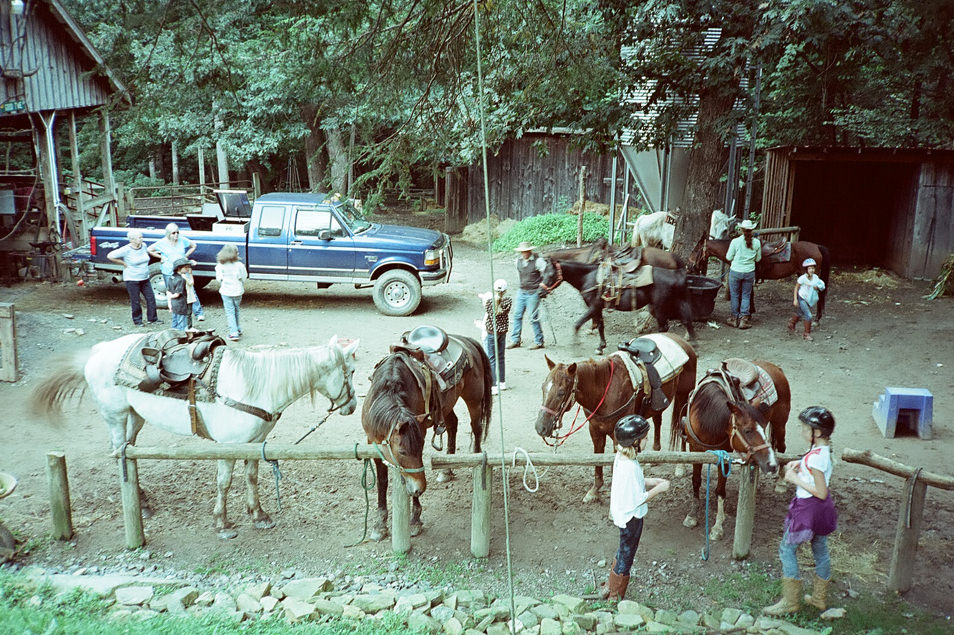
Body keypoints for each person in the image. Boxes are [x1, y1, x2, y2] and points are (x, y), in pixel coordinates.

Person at [764, 406, 838, 615]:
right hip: (822, 510)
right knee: (820, 550)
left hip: (809, 508)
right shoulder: (821, 451)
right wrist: (802, 464)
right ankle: (819, 599)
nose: (802, 431)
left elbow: (821, 492)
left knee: (787, 549)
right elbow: (817, 468)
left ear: (817, 433)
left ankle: (790, 601)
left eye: (805, 428)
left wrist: (795, 479)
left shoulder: (816, 458)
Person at [601, 414, 671, 601]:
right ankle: (615, 596)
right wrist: (659, 489)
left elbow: (632, 483)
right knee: (627, 555)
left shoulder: (622, 457)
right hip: (631, 518)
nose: (647, 441)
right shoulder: (631, 466)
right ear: (635, 442)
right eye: (645, 438)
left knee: (623, 549)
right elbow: (637, 499)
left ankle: (610, 585)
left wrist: (651, 481)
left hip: (622, 513)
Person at [148, 223, 205, 322]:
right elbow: (149, 249)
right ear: (168, 234)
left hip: (183, 269)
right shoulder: (162, 242)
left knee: (190, 290)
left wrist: (185, 256)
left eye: (177, 232)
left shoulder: (182, 240)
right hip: (168, 270)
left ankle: (198, 313)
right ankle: (177, 313)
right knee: (173, 291)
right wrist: (161, 257)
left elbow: (193, 245)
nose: (176, 235)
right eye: (173, 233)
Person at [106, 229, 160, 327]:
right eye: (139, 237)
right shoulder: (126, 249)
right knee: (135, 300)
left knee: (151, 298)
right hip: (132, 279)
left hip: (145, 277)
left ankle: (152, 319)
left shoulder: (143, 246)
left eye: (141, 237)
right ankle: (138, 320)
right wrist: (123, 263)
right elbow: (110, 256)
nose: (142, 239)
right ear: (132, 240)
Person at [507, 241, 546, 350]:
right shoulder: (517, 261)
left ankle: (539, 341)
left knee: (533, 317)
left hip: (533, 292)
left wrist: (542, 288)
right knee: (517, 315)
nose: (524, 253)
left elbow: (547, 274)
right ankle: (515, 340)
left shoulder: (538, 261)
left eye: (526, 251)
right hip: (522, 291)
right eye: (522, 252)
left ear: (530, 251)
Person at [725, 219, 761, 329]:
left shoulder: (735, 242)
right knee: (746, 295)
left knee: (735, 295)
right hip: (749, 272)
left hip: (735, 271)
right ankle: (743, 320)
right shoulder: (757, 242)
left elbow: (728, 257)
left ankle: (734, 318)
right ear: (752, 230)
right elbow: (758, 259)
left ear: (741, 230)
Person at [479, 279, 512, 395]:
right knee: (501, 357)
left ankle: (493, 385)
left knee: (491, 358)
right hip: (502, 332)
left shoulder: (489, 302)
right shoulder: (508, 301)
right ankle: (502, 382)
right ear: (505, 291)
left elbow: (489, 312)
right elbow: (503, 311)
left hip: (492, 332)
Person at [788, 258, 826, 341]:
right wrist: (795, 299)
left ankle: (791, 323)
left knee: (800, 312)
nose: (811, 270)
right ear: (806, 270)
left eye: (813, 268)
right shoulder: (802, 278)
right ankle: (806, 334)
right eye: (809, 268)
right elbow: (796, 288)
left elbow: (821, 285)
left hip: (810, 299)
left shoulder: (815, 277)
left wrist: (818, 287)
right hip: (802, 298)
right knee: (808, 315)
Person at [215, 244, 248, 341]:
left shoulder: (220, 266)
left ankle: (233, 333)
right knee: (236, 309)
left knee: (230, 312)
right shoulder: (240, 265)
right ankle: (237, 328)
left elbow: (218, 279)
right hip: (238, 291)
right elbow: (244, 277)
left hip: (226, 292)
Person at [167, 258, 194, 332]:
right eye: (186, 267)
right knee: (182, 323)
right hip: (181, 304)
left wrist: (169, 300)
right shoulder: (181, 280)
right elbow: (177, 294)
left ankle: (173, 334)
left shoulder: (172, 277)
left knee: (174, 321)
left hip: (174, 303)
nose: (187, 269)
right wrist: (172, 296)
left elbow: (168, 290)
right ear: (179, 268)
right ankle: (181, 336)